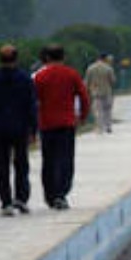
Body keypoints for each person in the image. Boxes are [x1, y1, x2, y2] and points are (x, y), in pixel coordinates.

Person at [0, 45, 38, 216]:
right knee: (21, 164)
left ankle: (6, 202)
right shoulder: (24, 78)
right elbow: (31, 105)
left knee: (2, 165)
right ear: (16, 58)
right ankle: (21, 198)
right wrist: (33, 129)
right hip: (20, 127)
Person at [34, 45, 90, 211]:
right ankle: (61, 193)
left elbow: (33, 100)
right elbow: (84, 96)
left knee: (48, 160)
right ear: (63, 57)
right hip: (66, 123)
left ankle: (50, 195)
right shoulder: (71, 74)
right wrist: (83, 116)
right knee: (65, 159)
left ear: (47, 58)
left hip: (46, 123)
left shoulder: (40, 76)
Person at [84, 53, 117, 134]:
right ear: (105, 59)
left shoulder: (90, 68)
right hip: (107, 92)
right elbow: (113, 81)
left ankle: (99, 128)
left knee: (98, 111)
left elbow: (86, 81)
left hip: (95, 92)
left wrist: (87, 90)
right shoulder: (108, 68)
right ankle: (108, 126)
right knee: (107, 110)